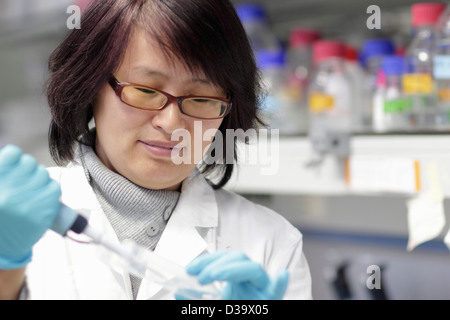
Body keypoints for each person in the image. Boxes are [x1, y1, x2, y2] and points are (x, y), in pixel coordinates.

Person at [0, 0, 312, 300]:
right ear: (91, 86)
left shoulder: (272, 245)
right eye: (146, 91)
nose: (172, 123)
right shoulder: (12, 216)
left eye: (201, 98)